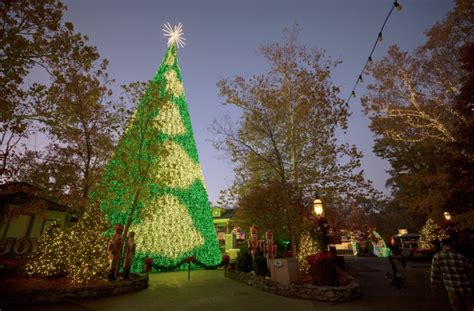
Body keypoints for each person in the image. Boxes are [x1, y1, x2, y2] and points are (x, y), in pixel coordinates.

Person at [431, 237, 473, 311]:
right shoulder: (461, 256)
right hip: (466, 286)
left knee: (457, 307)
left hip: (451, 287)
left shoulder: (437, 256)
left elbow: (435, 272)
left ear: (442, 245)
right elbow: (471, 269)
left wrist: (434, 283)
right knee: (470, 305)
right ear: (453, 244)